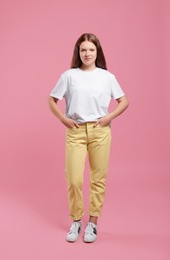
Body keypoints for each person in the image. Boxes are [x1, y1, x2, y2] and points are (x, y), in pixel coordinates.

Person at [48, 33, 129, 243]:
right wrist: (63, 120)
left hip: (100, 131)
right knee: (74, 179)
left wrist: (108, 118)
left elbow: (124, 101)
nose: (87, 53)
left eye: (91, 50)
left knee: (97, 179)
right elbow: (51, 100)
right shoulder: (69, 75)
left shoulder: (107, 77)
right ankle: (76, 220)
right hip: (75, 131)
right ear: (78, 52)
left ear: (97, 52)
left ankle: (92, 223)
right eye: (83, 49)